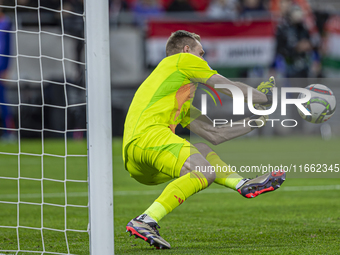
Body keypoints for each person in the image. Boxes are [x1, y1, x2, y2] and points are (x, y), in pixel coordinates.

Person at [123, 30, 286, 249]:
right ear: (187, 50)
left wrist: (254, 122)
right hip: (150, 136)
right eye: (201, 53)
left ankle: (242, 184)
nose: (203, 60)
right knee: (204, 171)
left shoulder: (177, 99)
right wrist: (266, 97)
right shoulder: (182, 60)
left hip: (137, 164)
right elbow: (225, 85)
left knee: (201, 148)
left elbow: (214, 134)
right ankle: (146, 220)